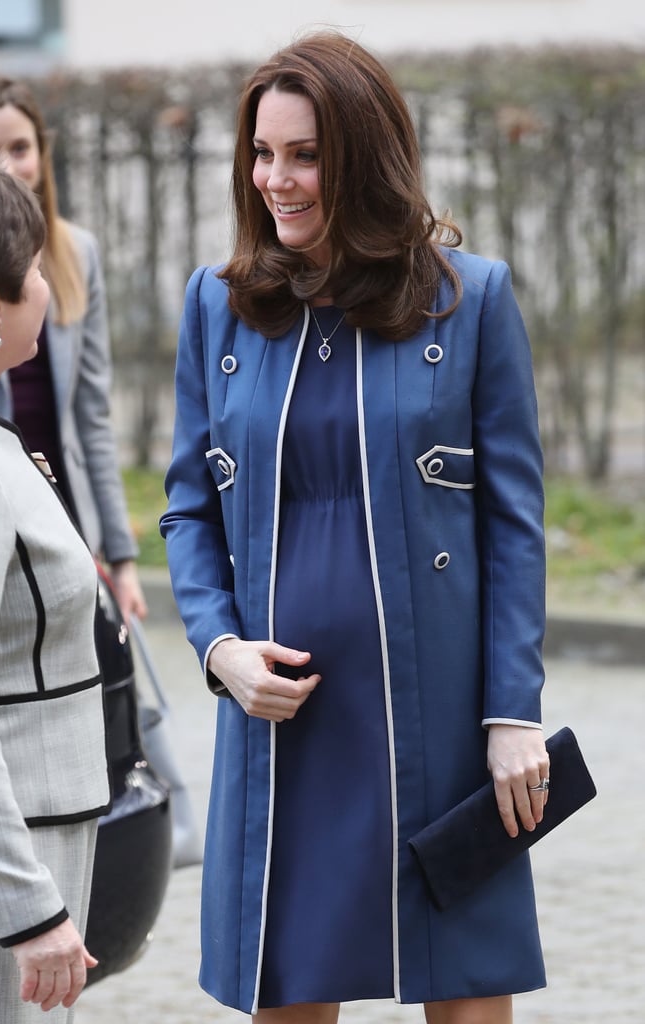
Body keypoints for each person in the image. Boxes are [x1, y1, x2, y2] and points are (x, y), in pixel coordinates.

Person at [160, 31, 550, 1024]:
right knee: (290, 993)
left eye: (304, 154)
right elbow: (187, 507)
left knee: (463, 988)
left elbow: (512, 526)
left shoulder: (468, 303)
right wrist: (219, 652)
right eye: (260, 153)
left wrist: (510, 713)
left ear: (363, 154)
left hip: (443, 717)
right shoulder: (218, 306)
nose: (275, 179)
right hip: (285, 719)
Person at [0, 165, 111, 1021]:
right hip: (8, 849)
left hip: (34, 832)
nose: (46, 288)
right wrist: (30, 912)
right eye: (32, 270)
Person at [0, 72, 146, 622]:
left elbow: (91, 416)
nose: (6, 165)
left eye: (20, 147)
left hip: (62, 505)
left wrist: (122, 555)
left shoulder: (75, 254)